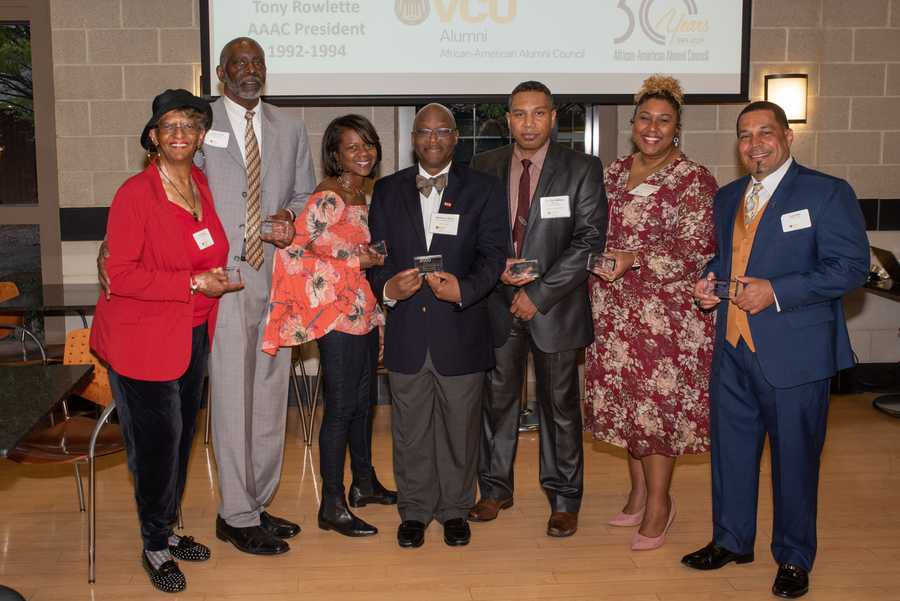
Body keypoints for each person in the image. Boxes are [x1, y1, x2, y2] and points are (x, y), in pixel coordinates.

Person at [99, 37, 316, 555]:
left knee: (269, 395)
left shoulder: (289, 127)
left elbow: (304, 195)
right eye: (238, 63)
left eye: (257, 63)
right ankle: (236, 512)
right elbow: (157, 203)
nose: (249, 70)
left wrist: (290, 217)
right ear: (220, 73)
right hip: (217, 284)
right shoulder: (198, 122)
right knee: (231, 398)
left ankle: (258, 501)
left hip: (275, 280)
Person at [684, 101, 868, 599]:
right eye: (744, 135)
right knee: (731, 453)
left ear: (787, 137)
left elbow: (851, 267)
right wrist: (709, 283)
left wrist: (777, 290)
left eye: (765, 132)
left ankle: (793, 557)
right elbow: (727, 257)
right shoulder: (727, 198)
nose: (754, 143)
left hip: (796, 354)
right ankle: (731, 539)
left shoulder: (826, 192)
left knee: (795, 459)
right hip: (733, 348)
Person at [90, 89, 242, 593]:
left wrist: (211, 277)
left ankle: (168, 528)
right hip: (142, 340)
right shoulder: (136, 193)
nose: (181, 134)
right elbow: (122, 273)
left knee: (179, 440)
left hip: (193, 330)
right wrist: (192, 283)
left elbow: (202, 246)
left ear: (201, 137)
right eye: (170, 126)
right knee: (155, 446)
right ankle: (155, 545)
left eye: (190, 126)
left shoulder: (199, 180)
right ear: (153, 137)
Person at [583, 75, 718, 550]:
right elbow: (591, 230)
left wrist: (635, 257)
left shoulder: (693, 179)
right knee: (625, 405)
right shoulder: (613, 172)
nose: (653, 128)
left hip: (666, 317)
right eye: (645, 118)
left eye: (664, 120)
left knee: (655, 408)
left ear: (677, 127)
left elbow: (699, 244)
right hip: (614, 311)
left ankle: (660, 504)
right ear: (633, 123)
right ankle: (638, 492)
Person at [468, 81, 607, 538]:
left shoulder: (582, 168)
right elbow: (474, 237)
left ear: (553, 118)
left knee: (560, 408)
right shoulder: (483, 166)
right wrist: (496, 270)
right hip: (498, 304)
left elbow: (589, 241)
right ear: (507, 119)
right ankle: (494, 489)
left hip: (556, 308)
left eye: (538, 113)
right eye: (519, 114)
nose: (529, 123)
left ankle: (565, 498)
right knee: (497, 402)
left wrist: (539, 294)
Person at [367, 103, 507, 549]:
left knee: (460, 428)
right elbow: (376, 257)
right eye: (423, 132)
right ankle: (414, 510)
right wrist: (388, 286)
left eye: (442, 131)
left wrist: (463, 290)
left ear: (455, 138)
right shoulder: (387, 190)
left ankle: (454, 510)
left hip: (461, 328)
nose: (432, 139)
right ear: (412, 138)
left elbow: (493, 256)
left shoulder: (484, 188)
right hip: (409, 330)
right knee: (409, 429)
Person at [262, 114, 396, 537]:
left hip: (363, 313)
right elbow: (294, 251)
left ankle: (364, 483)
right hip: (337, 317)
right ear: (334, 155)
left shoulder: (360, 193)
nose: (363, 153)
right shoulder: (329, 195)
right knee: (340, 410)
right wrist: (357, 260)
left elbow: (345, 246)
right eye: (352, 147)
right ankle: (332, 504)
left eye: (368, 144)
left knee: (364, 404)